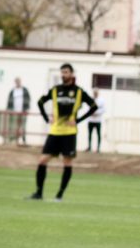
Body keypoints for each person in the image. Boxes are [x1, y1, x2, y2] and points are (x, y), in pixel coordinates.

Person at [29, 64, 98, 201]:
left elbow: (93, 106)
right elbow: (40, 102)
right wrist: (46, 117)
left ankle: (59, 195)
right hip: (54, 132)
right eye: (62, 72)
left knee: (67, 163)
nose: (63, 74)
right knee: (42, 161)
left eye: (66, 72)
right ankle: (39, 193)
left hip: (69, 133)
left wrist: (77, 120)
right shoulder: (55, 90)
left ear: (72, 74)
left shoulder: (78, 92)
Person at [6, 77, 31, 145]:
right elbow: (9, 102)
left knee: (23, 126)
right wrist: (8, 110)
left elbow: (28, 99)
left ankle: (23, 140)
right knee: (14, 126)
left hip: (23, 111)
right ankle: (13, 140)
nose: (17, 83)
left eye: (18, 81)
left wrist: (27, 109)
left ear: (20, 82)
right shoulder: (12, 91)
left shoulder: (25, 90)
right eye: (16, 81)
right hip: (14, 112)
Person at [87, 87, 106, 152]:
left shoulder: (101, 100)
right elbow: (88, 108)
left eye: (96, 92)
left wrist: (96, 113)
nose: (95, 93)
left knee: (98, 134)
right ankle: (89, 147)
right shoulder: (91, 99)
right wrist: (91, 113)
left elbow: (103, 109)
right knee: (90, 134)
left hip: (98, 120)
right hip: (91, 120)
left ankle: (98, 148)